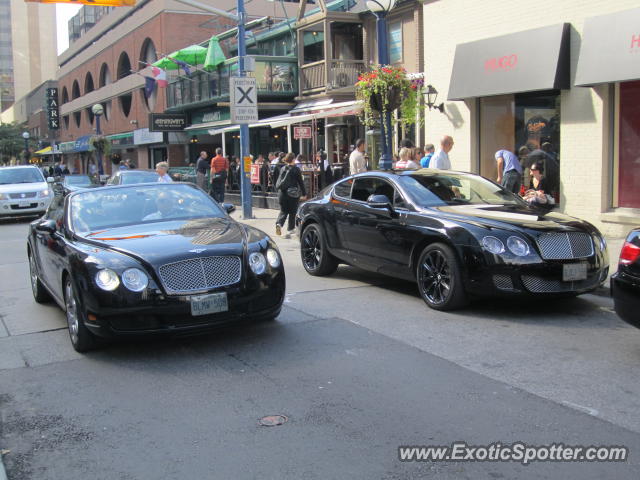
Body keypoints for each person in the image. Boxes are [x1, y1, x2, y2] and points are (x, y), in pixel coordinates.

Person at [275, 152, 306, 238]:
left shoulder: (283, 168)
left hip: (282, 193)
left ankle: (279, 224)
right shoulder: (296, 169)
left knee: (283, 211)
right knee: (292, 212)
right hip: (292, 194)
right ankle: (290, 229)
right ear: (293, 160)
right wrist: (304, 193)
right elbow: (301, 182)